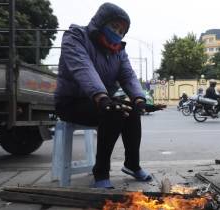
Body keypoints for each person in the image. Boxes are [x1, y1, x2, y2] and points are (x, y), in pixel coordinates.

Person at [55, 3, 152, 189]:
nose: (118, 32)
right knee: (114, 112)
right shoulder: (76, 37)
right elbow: (83, 68)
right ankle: (100, 173)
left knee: (130, 110)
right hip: (71, 102)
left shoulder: (118, 50)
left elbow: (128, 75)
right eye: (114, 26)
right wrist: (101, 96)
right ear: (101, 21)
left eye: (122, 31)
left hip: (100, 100)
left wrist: (139, 99)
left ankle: (132, 165)